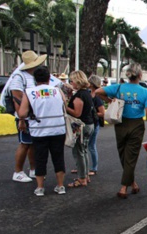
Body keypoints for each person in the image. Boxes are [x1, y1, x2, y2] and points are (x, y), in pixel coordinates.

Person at [95, 63, 147, 199]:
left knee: (123, 154)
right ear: (140, 75)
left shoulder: (119, 88)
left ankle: (132, 184)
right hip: (137, 125)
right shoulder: (145, 92)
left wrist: (109, 100)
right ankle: (124, 187)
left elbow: (97, 92)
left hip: (121, 123)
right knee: (131, 156)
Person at [17, 66, 67, 196]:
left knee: (40, 158)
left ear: (35, 79)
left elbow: (22, 113)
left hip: (39, 131)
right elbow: (65, 105)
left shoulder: (29, 92)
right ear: (49, 78)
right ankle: (60, 186)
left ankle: (40, 188)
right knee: (58, 157)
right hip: (58, 129)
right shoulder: (57, 91)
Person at [12, 50, 47, 183]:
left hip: (33, 116)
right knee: (24, 144)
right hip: (25, 117)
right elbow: (16, 98)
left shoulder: (32, 76)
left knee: (32, 144)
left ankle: (33, 169)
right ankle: (18, 171)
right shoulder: (19, 77)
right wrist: (22, 118)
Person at [66, 70, 95, 188]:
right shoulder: (86, 93)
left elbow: (77, 113)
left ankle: (82, 178)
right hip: (89, 124)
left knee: (78, 152)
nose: (71, 83)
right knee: (84, 151)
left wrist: (64, 106)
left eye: (71, 81)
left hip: (81, 126)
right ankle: (85, 176)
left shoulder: (80, 95)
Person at [87, 75, 106, 176]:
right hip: (90, 123)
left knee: (91, 146)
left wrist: (90, 113)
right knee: (87, 146)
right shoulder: (90, 95)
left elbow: (102, 112)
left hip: (94, 124)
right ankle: (84, 167)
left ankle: (94, 168)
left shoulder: (97, 97)